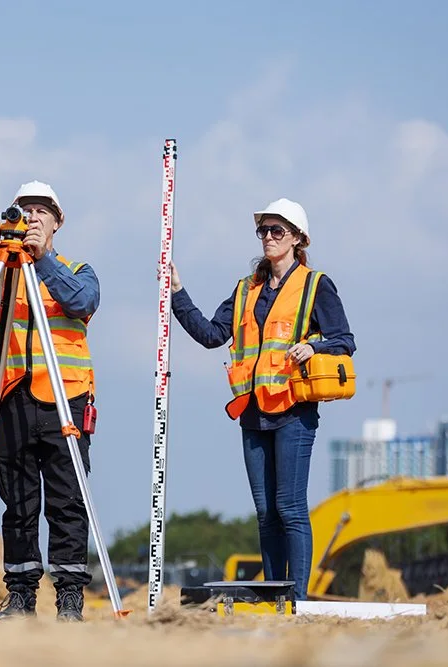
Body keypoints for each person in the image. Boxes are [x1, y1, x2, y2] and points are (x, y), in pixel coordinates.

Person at [163, 198, 355, 600]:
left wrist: (314, 348)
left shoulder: (316, 285)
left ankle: (297, 601)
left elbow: (345, 340)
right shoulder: (245, 289)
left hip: (294, 411)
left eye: (276, 231)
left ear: (298, 239)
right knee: (266, 513)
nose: (268, 238)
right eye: (263, 231)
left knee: (289, 507)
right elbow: (212, 334)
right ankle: (273, 593)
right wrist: (178, 293)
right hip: (252, 413)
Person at [0, 180, 100, 622]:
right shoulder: (2, 273)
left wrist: (44, 260)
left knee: (66, 502)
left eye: (41, 211)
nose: (32, 217)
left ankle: (70, 597)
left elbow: (81, 301)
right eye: (24, 210)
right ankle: (20, 597)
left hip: (64, 398)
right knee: (17, 503)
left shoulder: (76, 269)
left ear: (57, 222)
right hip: (11, 397)